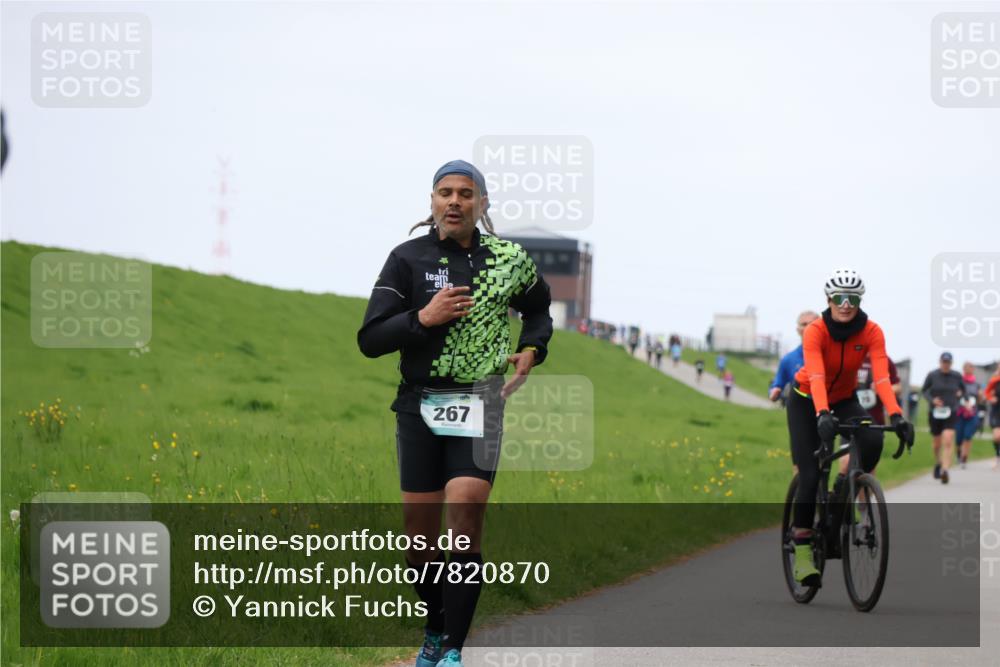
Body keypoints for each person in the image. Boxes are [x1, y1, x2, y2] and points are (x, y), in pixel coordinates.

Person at [357, 160, 553, 667]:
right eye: (445, 192)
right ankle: (436, 626)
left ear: (482, 204)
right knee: (420, 546)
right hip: (418, 403)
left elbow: (539, 306)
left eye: (466, 193)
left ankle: (451, 652)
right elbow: (370, 339)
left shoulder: (509, 259)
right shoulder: (407, 259)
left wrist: (532, 347)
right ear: (432, 201)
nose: (454, 201)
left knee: (465, 513)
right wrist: (422, 318)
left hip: (479, 400)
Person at [785, 268, 913, 586]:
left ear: (859, 300)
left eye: (852, 298)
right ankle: (802, 548)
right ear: (828, 300)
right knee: (810, 474)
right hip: (805, 400)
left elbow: (882, 377)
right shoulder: (815, 331)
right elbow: (814, 375)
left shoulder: (871, 331)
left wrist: (896, 415)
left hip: (843, 398)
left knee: (871, 439)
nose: (845, 304)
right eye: (839, 298)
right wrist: (821, 413)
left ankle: (846, 488)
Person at [922, 352, 965, 484]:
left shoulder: (957, 376)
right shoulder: (932, 375)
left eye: (948, 362)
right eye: (944, 362)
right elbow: (924, 391)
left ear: (951, 363)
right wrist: (932, 400)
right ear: (940, 362)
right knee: (937, 444)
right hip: (935, 412)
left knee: (948, 440)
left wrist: (960, 394)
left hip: (951, 411)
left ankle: (945, 470)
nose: (946, 364)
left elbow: (964, 390)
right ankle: (938, 463)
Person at [769, 311, 820, 404]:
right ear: (797, 329)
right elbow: (778, 383)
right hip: (801, 410)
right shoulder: (788, 359)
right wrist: (774, 392)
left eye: (812, 323)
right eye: (804, 324)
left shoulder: (831, 353)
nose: (808, 327)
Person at [955, 362, 982, 468]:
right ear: (963, 369)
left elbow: (980, 399)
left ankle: (964, 458)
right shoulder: (959, 382)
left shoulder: (976, 384)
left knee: (968, 436)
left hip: (972, 413)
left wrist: (981, 397)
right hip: (960, 413)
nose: (969, 369)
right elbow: (955, 395)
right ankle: (958, 454)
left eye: (971, 367)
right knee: (958, 438)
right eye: (967, 368)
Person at [985, 366, 1000, 470]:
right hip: (996, 411)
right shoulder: (995, 380)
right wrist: (991, 398)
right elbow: (987, 392)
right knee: (997, 437)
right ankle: (997, 457)